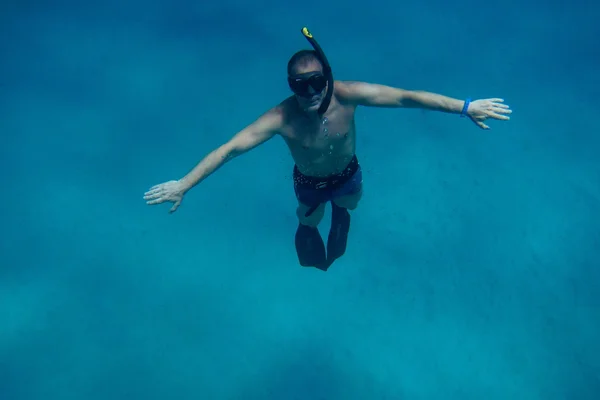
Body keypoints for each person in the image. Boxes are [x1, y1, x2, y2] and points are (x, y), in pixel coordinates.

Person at [143, 27, 512, 272]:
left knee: (349, 204)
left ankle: (342, 217)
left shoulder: (348, 95)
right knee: (309, 219)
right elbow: (228, 150)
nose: (311, 94)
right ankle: (309, 227)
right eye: (300, 86)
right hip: (309, 183)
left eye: (317, 83)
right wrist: (184, 184)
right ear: (290, 86)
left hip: (348, 175)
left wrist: (465, 107)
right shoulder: (281, 118)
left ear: (328, 79)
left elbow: (406, 97)